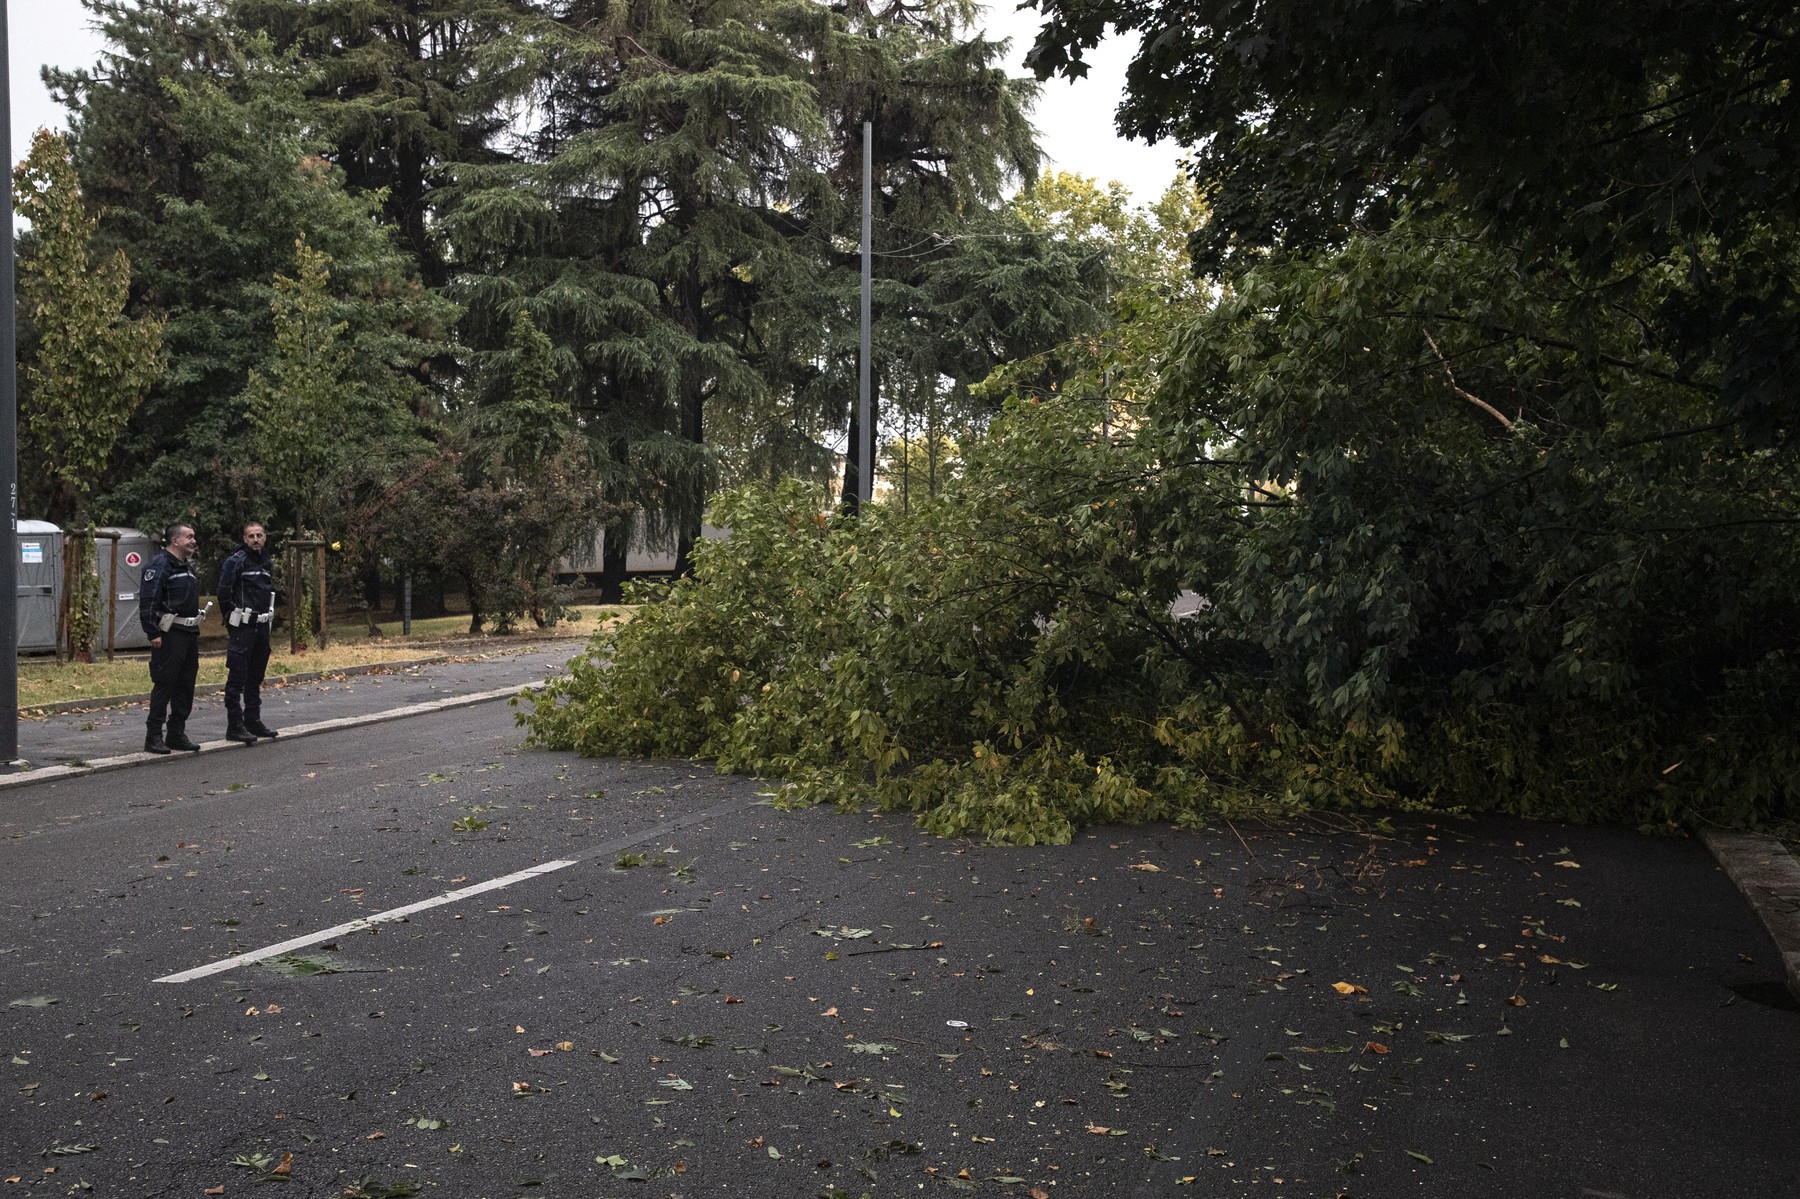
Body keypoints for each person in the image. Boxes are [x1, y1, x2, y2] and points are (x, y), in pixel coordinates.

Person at [139, 522, 204, 754]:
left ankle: (176, 734)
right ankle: (153, 736)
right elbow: (148, 601)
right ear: (175, 540)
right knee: (165, 684)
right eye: (189, 537)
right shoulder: (160, 565)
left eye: (193, 536)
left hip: (188, 633)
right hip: (169, 634)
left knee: (185, 686)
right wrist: (153, 632)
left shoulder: (186, 566)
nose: (193, 541)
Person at [217, 521, 280, 743]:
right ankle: (234, 725)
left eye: (259, 535)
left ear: (265, 537)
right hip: (242, 626)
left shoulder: (265, 562)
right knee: (237, 677)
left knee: (255, 677)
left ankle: (253, 720)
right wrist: (232, 618)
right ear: (244, 539)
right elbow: (224, 593)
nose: (255, 539)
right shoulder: (236, 561)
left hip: (261, 626)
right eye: (251, 536)